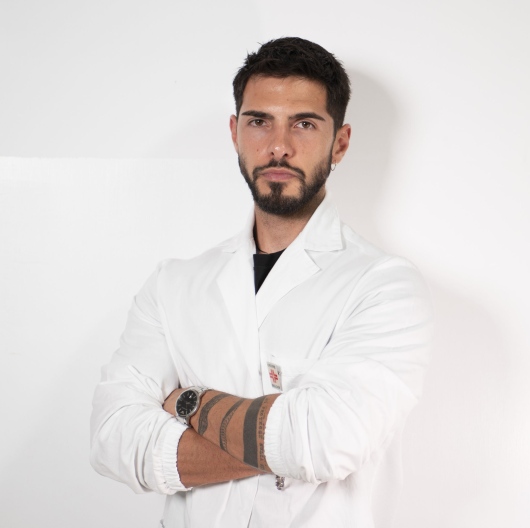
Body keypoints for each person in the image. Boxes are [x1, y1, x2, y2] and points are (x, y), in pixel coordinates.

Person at [90, 37, 432, 528]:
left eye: (304, 123)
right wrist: (283, 436)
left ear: (340, 142)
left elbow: (326, 442)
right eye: (259, 121)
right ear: (235, 132)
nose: (278, 146)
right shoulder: (174, 284)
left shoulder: (383, 286)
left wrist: (187, 402)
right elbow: (112, 438)